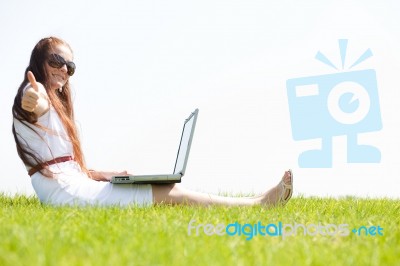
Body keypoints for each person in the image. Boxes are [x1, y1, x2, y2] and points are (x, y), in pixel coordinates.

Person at [12, 36, 293, 207]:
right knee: (168, 192)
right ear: (39, 62)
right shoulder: (32, 93)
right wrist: (34, 99)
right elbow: (34, 103)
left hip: (73, 185)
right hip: (66, 193)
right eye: (57, 60)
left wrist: (102, 174)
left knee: (161, 190)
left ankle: (255, 203)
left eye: (70, 66)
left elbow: (63, 162)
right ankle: (256, 205)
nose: (64, 69)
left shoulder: (58, 104)